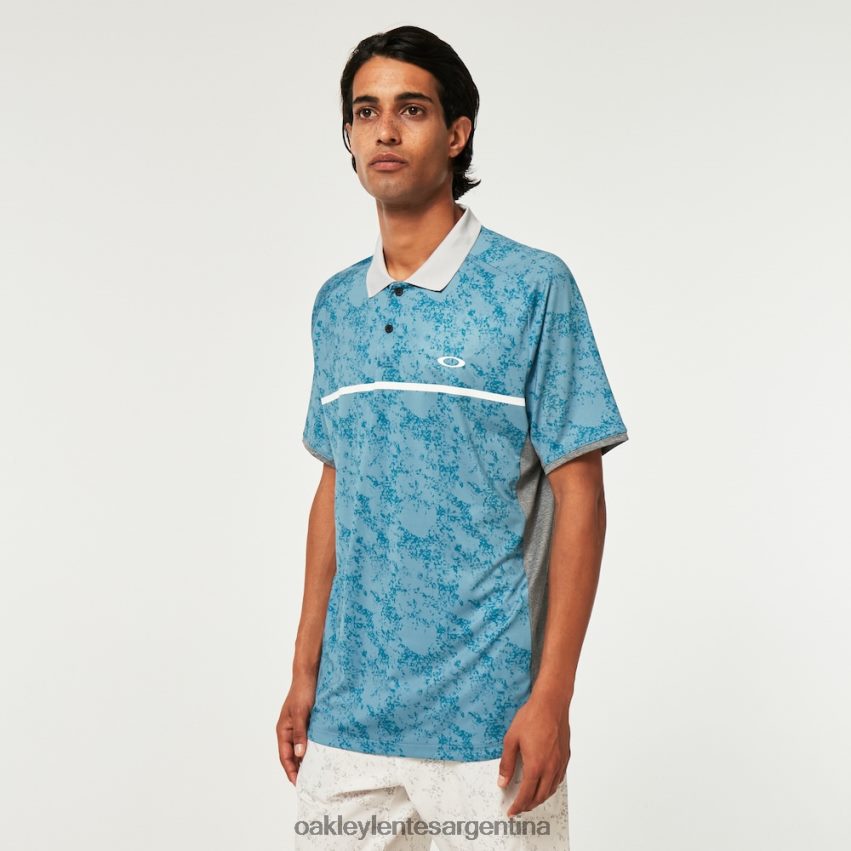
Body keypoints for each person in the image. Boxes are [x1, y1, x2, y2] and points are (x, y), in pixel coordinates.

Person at [276, 24, 629, 850]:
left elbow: (580, 495)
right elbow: (335, 485)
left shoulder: (530, 286)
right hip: (349, 720)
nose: (384, 131)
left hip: (489, 722)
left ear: (456, 132)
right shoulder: (336, 306)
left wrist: (552, 697)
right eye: (365, 112)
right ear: (348, 135)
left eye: (411, 109)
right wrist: (302, 673)